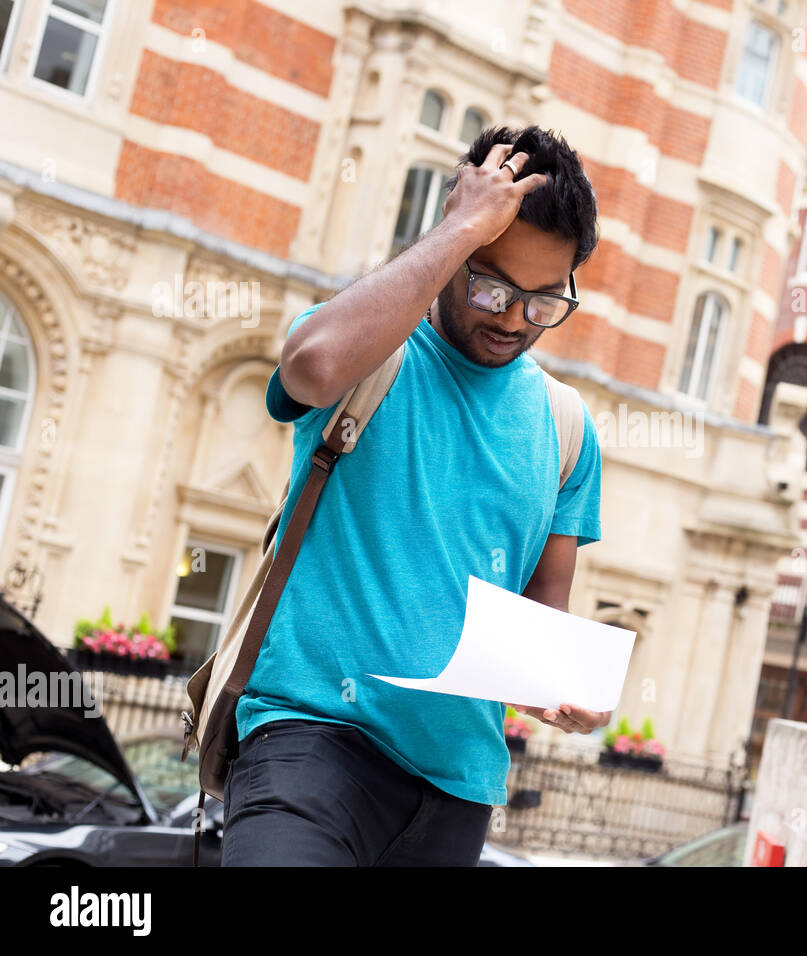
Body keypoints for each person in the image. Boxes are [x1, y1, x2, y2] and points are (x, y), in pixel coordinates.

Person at [220, 126, 608, 866]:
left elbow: (541, 614)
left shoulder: (566, 427)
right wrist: (461, 225)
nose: (513, 318)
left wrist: (561, 690)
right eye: (491, 283)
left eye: (542, 301)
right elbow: (310, 367)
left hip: (456, 792)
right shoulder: (371, 348)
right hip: (310, 744)